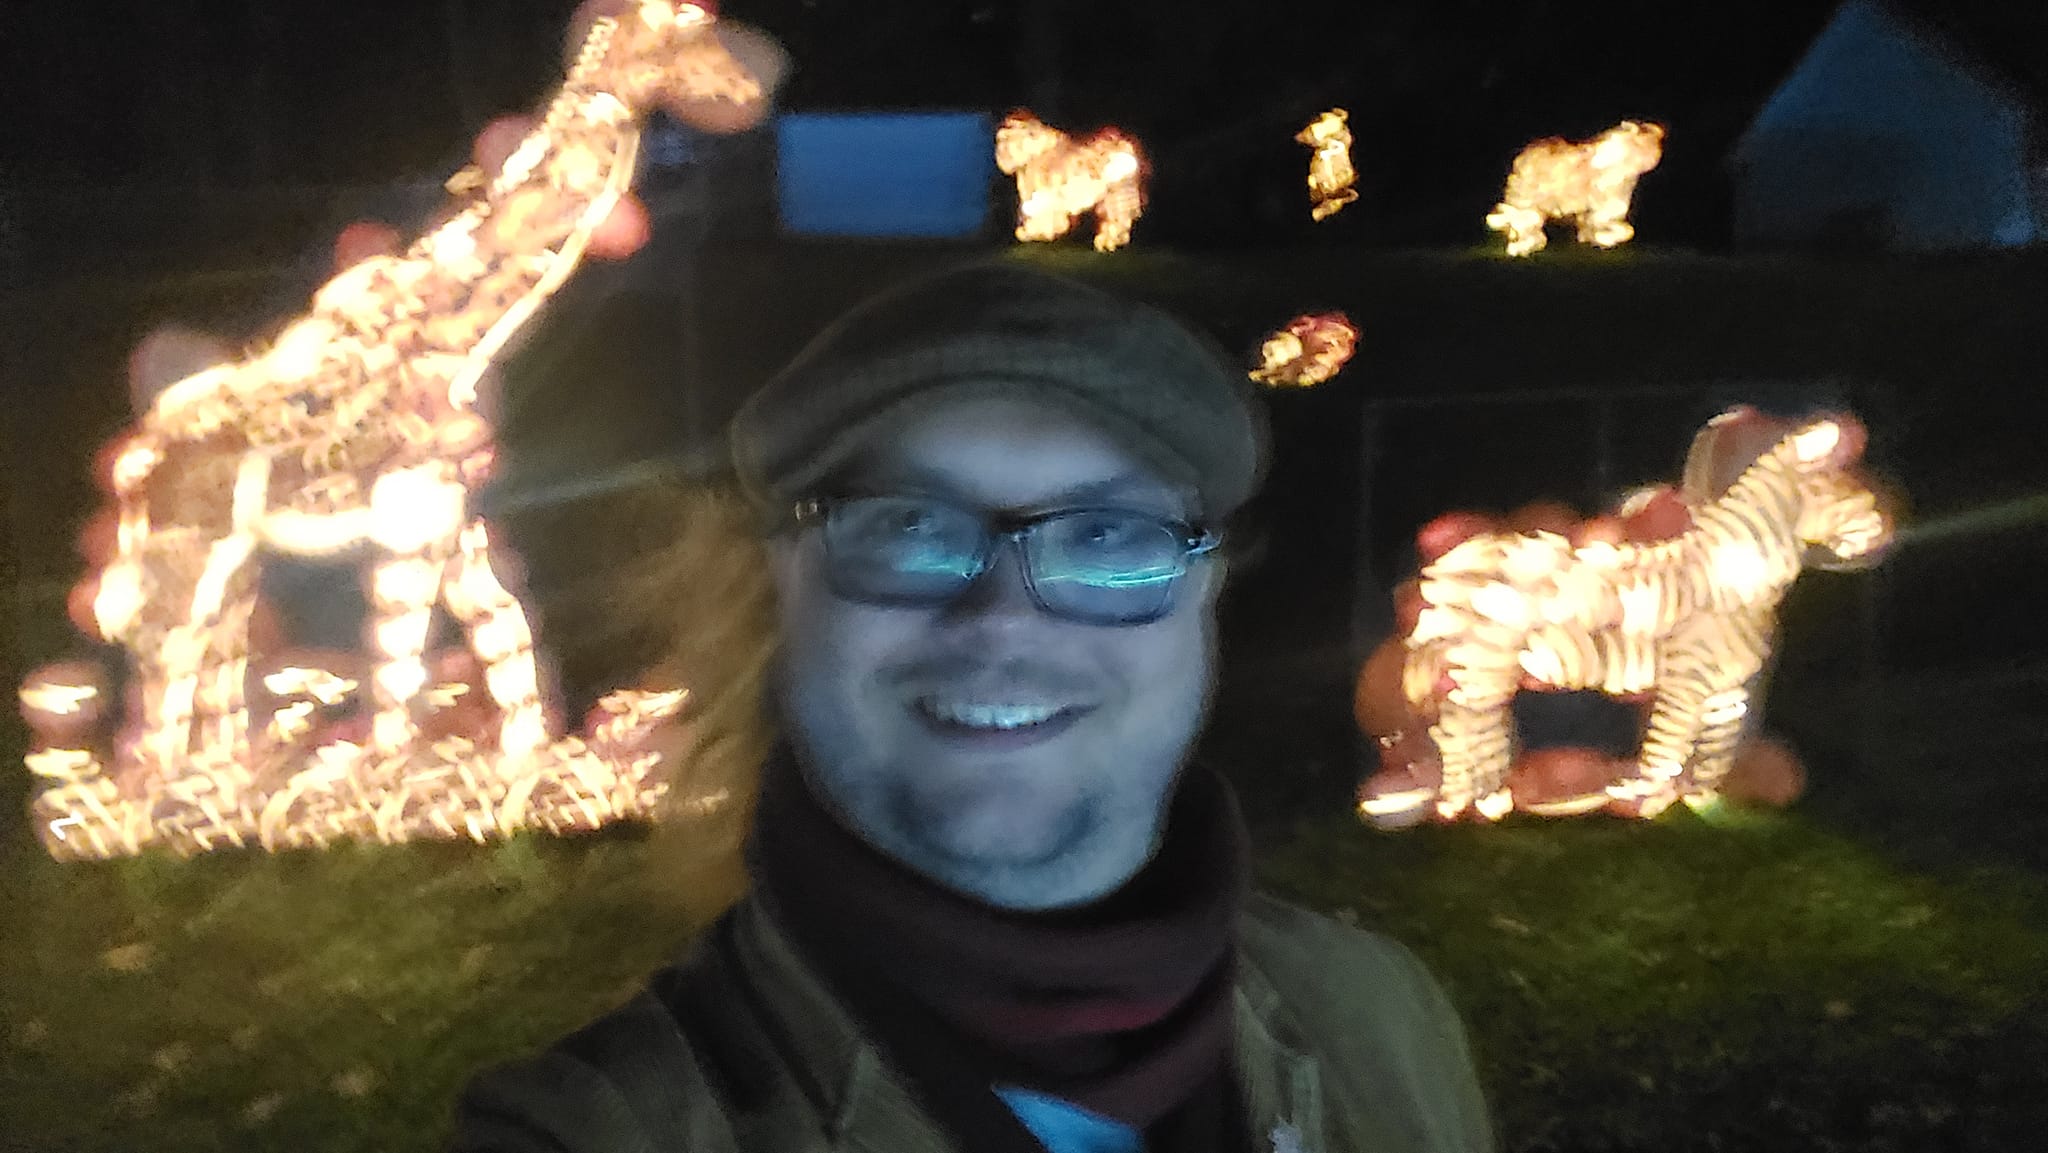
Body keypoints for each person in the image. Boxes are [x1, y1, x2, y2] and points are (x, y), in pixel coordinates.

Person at [448, 263, 1495, 1153]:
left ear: (1203, 596)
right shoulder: (600, 1127)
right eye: (907, 523)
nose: (1000, 614)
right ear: (774, 590)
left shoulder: (1377, 1019)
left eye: (1101, 534)